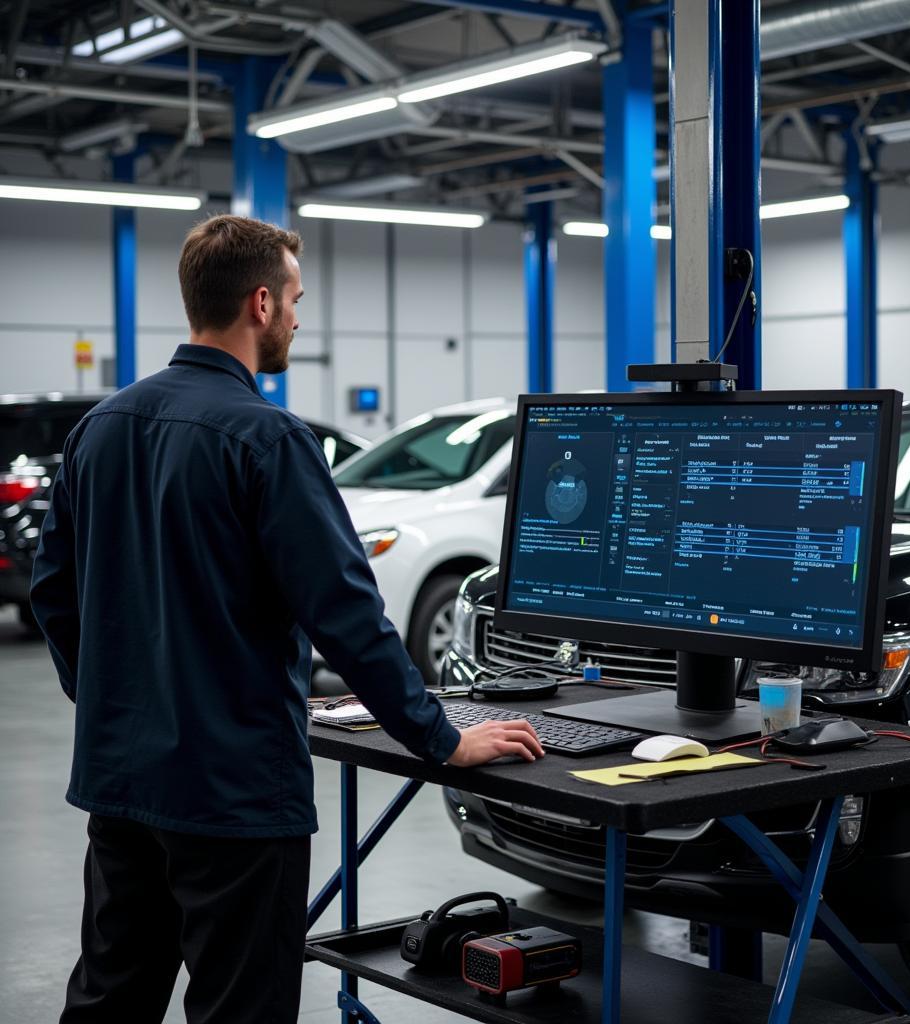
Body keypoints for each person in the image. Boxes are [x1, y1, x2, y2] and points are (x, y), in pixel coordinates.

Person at [30, 214, 543, 1024]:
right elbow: (346, 614)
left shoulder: (100, 430)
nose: (301, 318)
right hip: (234, 796)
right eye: (297, 299)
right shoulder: (269, 439)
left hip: (121, 782)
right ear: (261, 303)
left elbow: (52, 591)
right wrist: (441, 738)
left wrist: (111, 703)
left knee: (109, 998)